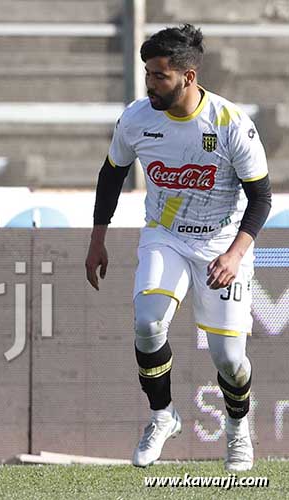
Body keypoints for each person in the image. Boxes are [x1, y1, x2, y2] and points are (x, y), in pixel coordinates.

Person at [85, 25, 271, 471]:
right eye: (147, 74)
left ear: (188, 77)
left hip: (221, 244)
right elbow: (111, 174)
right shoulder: (137, 118)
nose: (150, 84)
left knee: (230, 360)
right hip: (164, 236)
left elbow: (261, 197)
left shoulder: (230, 124)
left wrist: (235, 254)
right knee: (148, 323)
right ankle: (162, 415)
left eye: (159, 76)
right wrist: (97, 239)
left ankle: (237, 428)